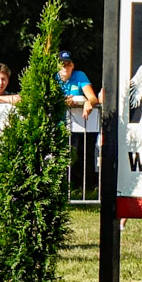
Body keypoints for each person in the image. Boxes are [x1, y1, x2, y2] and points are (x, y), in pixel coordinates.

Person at [58, 52, 99, 194]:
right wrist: (61, 102)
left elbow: (94, 98)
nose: (65, 66)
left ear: (72, 66)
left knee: (69, 159)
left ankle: (65, 192)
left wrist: (89, 102)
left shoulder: (79, 76)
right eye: (61, 63)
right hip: (52, 124)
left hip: (73, 127)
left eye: (68, 63)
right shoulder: (51, 77)